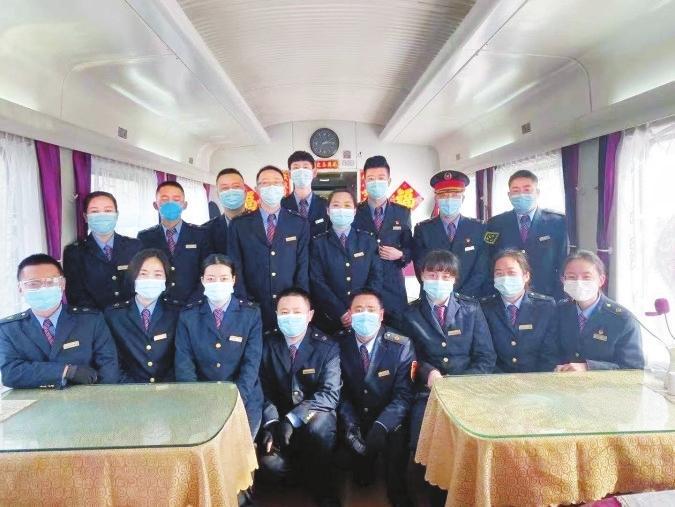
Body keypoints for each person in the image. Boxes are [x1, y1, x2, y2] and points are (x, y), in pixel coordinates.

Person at [401, 250, 495, 448]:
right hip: (428, 391)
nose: (439, 281)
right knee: (421, 439)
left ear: (454, 279)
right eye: (432, 275)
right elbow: (409, 358)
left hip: (468, 389)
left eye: (446, 276)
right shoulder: (410, 314)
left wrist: (460, 382)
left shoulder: (471, 309)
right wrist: (428, 373)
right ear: (422, 276)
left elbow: (485, 357)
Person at [258, 288, 341, 507]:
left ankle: (325, 489)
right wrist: (272, 421)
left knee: (318, 429)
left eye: (297, 312)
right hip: (278, 418)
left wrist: (293, 419)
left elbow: (329, 394)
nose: (290, 317)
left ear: (310, 315)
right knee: (270, 465)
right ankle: (301, 475)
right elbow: (262, 390)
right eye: (284, 312)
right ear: (276, 315)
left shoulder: (327, 346)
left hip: (314, 416)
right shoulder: (266, 344)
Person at [335, 289, 414, 507]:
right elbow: (338, 392)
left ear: (381, 315)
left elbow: (404, 394)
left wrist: (382, 425)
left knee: (398, 437)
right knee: (357, 475)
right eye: (359, 310)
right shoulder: (337, 344)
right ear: (350, 314)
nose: (365, 315)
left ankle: (397, 489)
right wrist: (350, 424)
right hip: (354, 416)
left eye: (371, 310)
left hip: (387, 417)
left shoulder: (401, 345)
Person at [174, 254, 263, 436]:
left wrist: (236, 398)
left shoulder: (250, 314)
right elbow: (184, 363)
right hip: (201, 396)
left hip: (243, 396)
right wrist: (197, 398)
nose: (217, 283)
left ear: (233, 280)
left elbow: (251, 363)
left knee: (239, 446)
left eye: (223, 278)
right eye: (211, 279)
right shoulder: (188, 316)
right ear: (202, 281)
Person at [0, 254, 119, 388]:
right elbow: (11, 374)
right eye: (33, 284)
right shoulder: (8, 329)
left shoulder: (91, 320)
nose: (43, 289)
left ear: (62, 284)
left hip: (86, 397)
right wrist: (66, 371)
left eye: (50, 282)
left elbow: (109, 368)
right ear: (20, 289)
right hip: (32, 400)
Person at [228, 165, 310, 332]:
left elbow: (302, 267)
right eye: (265, 183)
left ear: (284, 187)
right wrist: (244, 302)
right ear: (257, 188)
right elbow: (235, 267)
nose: (271, 187)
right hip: (252, 305)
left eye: (276, 182)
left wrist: (299, 302)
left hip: (289, 308)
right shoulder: (240, 225)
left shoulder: (299, 223)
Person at [484, 169, 569, 299]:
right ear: (509, 195)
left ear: (537, 193)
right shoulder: (494, 224)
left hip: (546, 295)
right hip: (506, 296)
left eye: (527, 190)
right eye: (516, 191)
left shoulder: (557, 222)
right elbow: (488, 260)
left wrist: (560, 296)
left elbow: (563, 262)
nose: (521, 194)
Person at [555, 250, 644, 371]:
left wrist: (589, 367)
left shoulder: (623, 319)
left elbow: (633, 368)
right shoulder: (559, 311)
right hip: (561, 380)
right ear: (563, 281)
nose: (579, 282)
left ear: (601, 280)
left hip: (605, 383)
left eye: (586, 277)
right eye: (571, 277)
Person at [310, 189, 383, 334]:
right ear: (328, 211)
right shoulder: (318, 243)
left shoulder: (367, 240)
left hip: (364, 316)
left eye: (347, 205)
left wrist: (360, 309)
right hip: (329, 317)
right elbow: (317, 282)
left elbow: (376, 277)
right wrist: (341, 312)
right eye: (336, 205)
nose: (341, 210)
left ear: (354, 211)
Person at [104, 249, 181, 383]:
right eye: (143, 274)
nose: (150, 280)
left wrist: (165, 388)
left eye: (158, 275)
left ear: (166, 279)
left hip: (168, 389)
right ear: (133, 277)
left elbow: (181, 359)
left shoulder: (176, 313)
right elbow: (112, 362)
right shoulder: (114, 315)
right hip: (129, 389)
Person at [353, 155, 413, 322]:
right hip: (363, 284)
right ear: (365, 182)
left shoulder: (402, 212)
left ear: (389, 180)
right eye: (371, 178)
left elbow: (410, 248)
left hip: (393, 285)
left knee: (397, 331)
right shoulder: (355, 212)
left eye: (381, 178)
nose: (376, 182)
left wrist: (400, 254)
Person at [412, 170, 489, 297]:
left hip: (470, 297)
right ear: (436, 199)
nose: (449, 200)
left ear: (462, 198)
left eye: (455, 195)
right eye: (443, 196)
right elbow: (420, 267)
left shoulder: (479, 227)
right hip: (434, 297)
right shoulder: (423, 229)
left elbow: (482, 268)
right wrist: (439, 293)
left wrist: (460, 296)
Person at [480, 249, 559, 372]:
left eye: (511, 273)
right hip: (497, 379)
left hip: (537, 378)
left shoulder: (545, 306)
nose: (505, 278)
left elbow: (549, 354)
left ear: (526, 276)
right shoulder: (484, 307)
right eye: (499, 274)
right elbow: (484, 354)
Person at [63, 191, 142, 309]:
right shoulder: (74, 252)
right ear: (85, 217)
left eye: (108, 210)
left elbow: (142, 285)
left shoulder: (134, 246)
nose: (102, 215)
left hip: (131, 316)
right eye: (95, 211)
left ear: (116, 215)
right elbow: (76, 296)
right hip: (94, 318)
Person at [137, 181, 211, 304]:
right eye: (164, 199)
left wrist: (194, 302)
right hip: (159, 304)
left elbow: (208, 271)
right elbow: (141, 274)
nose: (170, 204)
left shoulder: (200, 234)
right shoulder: (145, 237)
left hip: (193, 304)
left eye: (176, 199)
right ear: (155, 205)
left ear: (184, 205)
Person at [281, 150, 329, 237]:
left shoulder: (326, 205)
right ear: (290, 174)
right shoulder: (281, 205)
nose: (301, 171)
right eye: (296, 168)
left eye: (305, 167)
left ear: (314, 172)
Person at [204, 168, 248, 255]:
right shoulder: (206, 230)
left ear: (245, 192)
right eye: (225, 188)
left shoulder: (263, 225)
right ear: (218, 195)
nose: (231, 191)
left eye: (236, 186)